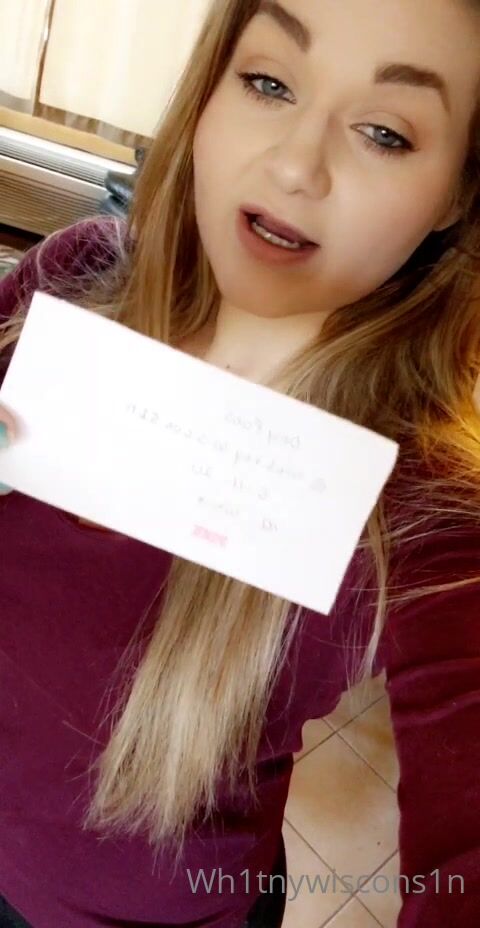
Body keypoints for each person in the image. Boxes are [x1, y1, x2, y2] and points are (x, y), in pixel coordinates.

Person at [0, 0, 479, 925]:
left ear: (458, 191)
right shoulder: (73, 279)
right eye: (268, 82)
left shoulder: (423, 512)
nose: (296, 165)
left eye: (385, 133)